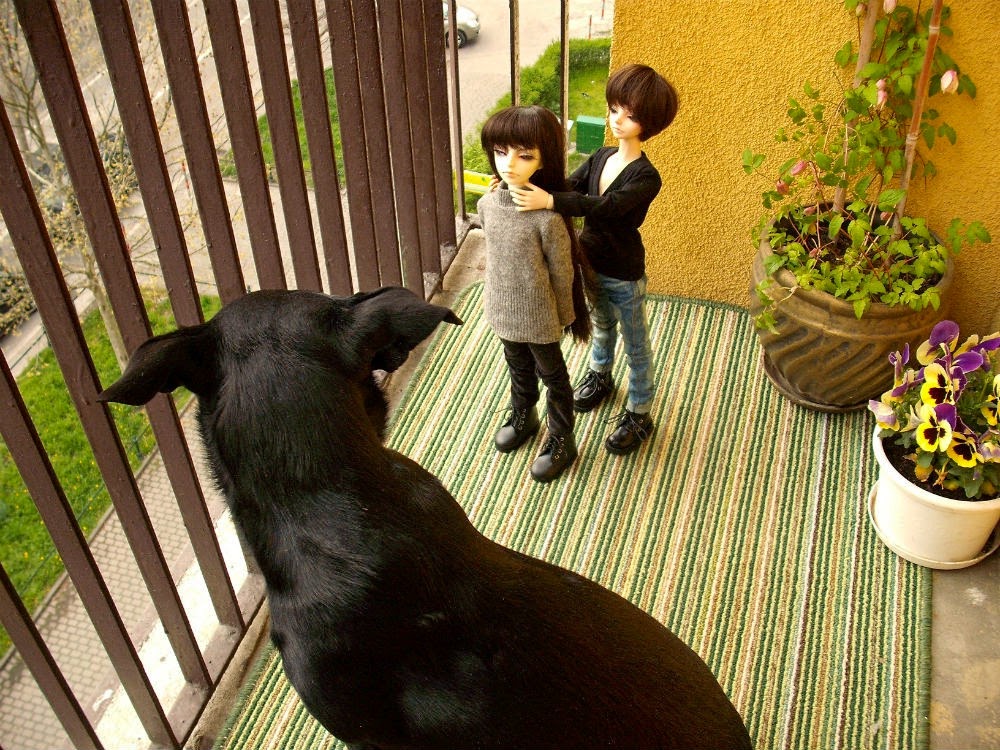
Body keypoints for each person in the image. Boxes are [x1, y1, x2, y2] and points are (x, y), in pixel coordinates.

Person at [508, 63, 678, 456]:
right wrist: (525, 182)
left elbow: (605, 207)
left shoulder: (646, 177)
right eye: (614, 108)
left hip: (624, 270)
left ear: (649, 122)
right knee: (601, 323)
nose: (617, 119)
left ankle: (640, 410)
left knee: (636, 343)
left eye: (629, 115)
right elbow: (570, 185)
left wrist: (551, 201)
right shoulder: (602, 155)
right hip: (589, 262)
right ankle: (601, 374)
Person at [476, 105, 592, 483]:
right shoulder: (486, 205)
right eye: (500, 152)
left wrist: (564, 314)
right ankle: (524, 413)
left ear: (544, 160)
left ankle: (562, 438)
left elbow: (562, 272)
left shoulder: (547, 218)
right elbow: (495, 254)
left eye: (524, 156)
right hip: (501, 306)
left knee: (553, 376)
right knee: (517, 365)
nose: (509, 163)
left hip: (540, 314)